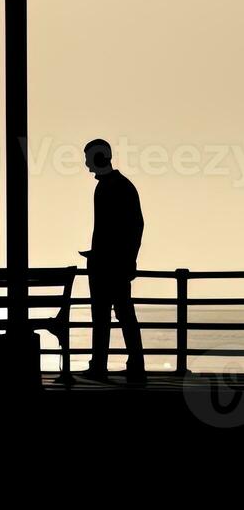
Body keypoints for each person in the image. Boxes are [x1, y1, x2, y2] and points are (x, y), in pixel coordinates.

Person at [81, 139, 144, 380]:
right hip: (116, 263)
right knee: (124, 314)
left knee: (103, 316)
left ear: (97, 158)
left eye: (88, 159)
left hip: (106, 265)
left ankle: (100, 365)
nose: (87, 165)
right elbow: (134, 226)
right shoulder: (122, 186)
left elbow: (130, 227)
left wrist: (118, 257)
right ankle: (135, 364)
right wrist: (129, 259)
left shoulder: (110, 187)